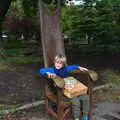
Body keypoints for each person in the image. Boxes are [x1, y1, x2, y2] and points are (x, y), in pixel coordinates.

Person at [40, 54, 89, 120]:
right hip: (61, 91)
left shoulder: (66, 69)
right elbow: (41, 70)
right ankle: (76, 118)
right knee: (76, 101)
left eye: (60, 63)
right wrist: (47, 73)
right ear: (54, 62)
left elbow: (73, 66)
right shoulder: (52, 70)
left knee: (86, 97)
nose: (58, 64)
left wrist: (79, 67)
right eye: (57, 62)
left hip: (71, 88)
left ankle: (85, 116)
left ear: (63, 64)